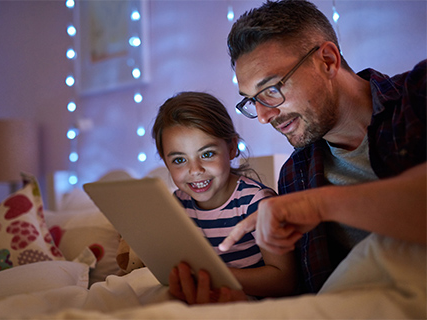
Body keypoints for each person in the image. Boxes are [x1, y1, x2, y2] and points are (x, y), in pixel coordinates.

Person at [174, 0, 426, 303]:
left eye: (271, 89)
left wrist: (318, 205)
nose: (265, 116)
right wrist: (240, 304)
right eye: (253, 100)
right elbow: (309, 291)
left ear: (328, 61)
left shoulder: (417, 98)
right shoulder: (297, 173)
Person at [151, 91, 298, 303]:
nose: (195, 170)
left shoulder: (257, 203)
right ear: (166, 162)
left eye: (207, 154)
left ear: (231, 148)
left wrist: (217, 278)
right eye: (179, 160)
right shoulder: (178, 204)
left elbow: (284, 280)